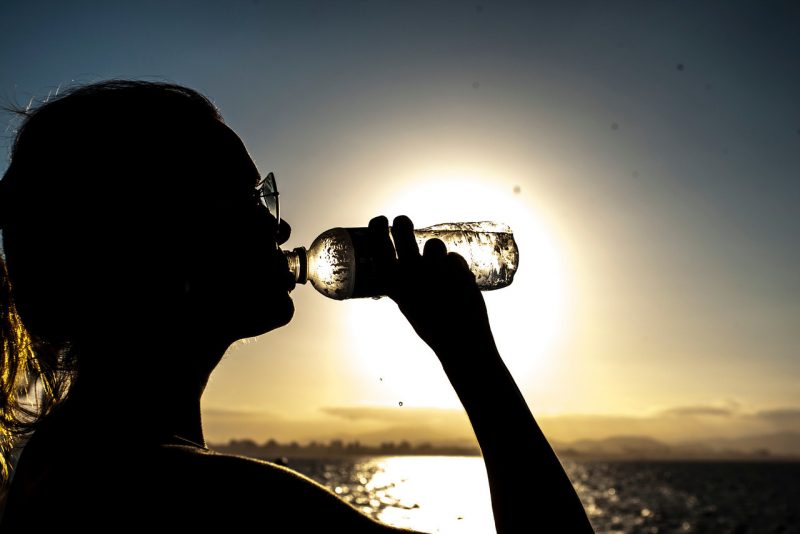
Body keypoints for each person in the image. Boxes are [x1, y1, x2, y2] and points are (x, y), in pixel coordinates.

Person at [0, 80, 592, 531]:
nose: (279, 225)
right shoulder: (212, 502)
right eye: (249, 199)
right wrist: (473, 359)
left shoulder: (63, 462)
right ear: (164, 237)